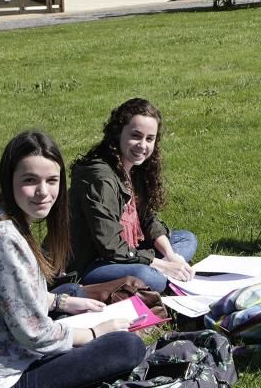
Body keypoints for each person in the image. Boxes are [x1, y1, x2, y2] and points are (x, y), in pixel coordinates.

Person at [0, 131, 146, 388]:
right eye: (30, 180)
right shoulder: (4, 239)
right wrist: (96, 332)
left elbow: (12, 294)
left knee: (73, 292)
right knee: (127, 346)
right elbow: (35, 334)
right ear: (9, 179)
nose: (43, 192)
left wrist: (61, 302)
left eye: (52, 181)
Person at [69, 98, 197, 293]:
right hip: (96, 263)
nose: (142, 145)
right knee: (150, 277)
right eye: (136, 136)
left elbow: (146, 218)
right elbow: (110, 246)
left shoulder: (135, 167)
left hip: (130, 252)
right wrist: (160, 264)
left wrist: (170, 256)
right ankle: (161, 275)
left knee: (186, 239)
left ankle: (165, 271)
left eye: (149, 139)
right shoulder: (100, 179)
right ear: (118, 133)